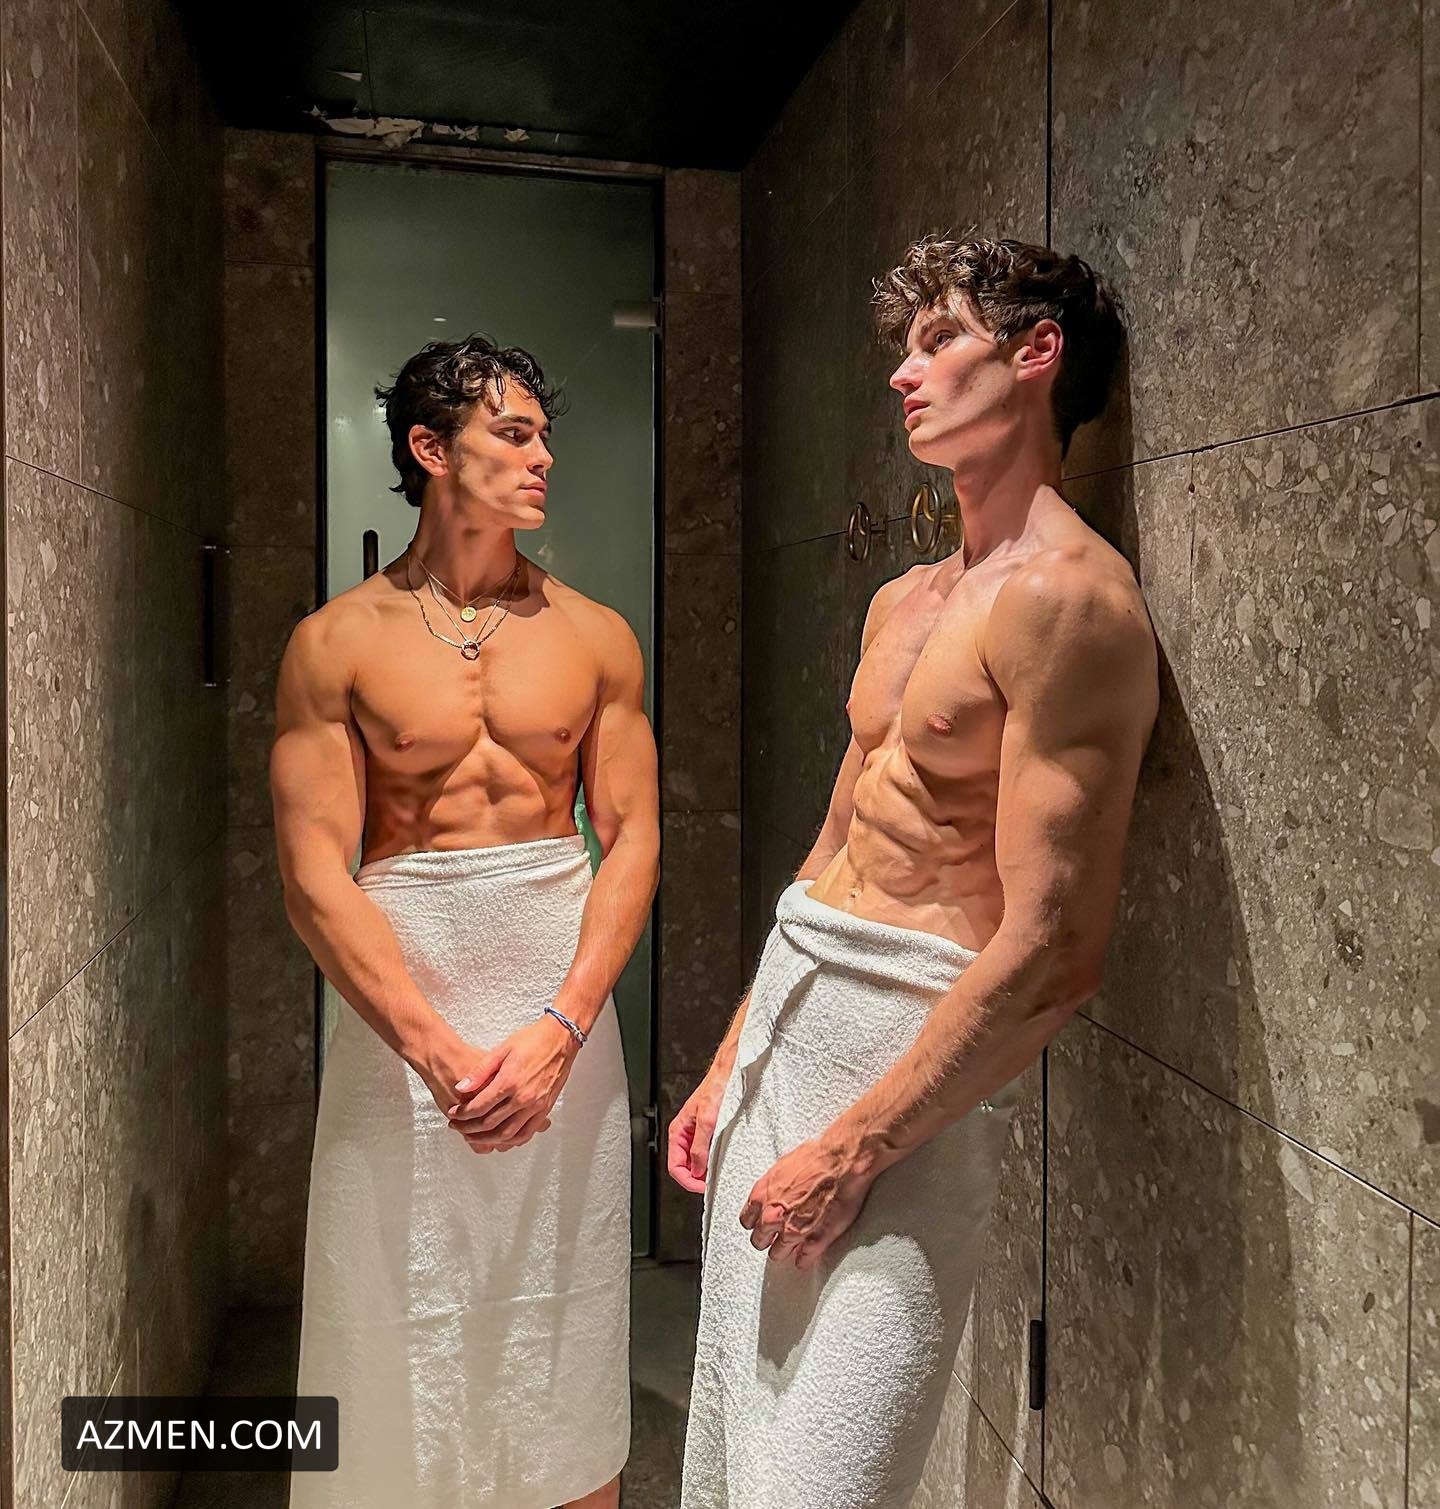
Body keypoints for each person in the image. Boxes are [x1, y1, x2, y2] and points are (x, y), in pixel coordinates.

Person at [670, 235, 1158, 1507]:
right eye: (905, 345)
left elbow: (1056, 947)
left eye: (941, 339)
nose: (904, 372)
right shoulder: (905, 599)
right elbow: (832, 847)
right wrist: (731, 1059)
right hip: (791, 1029)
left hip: (907, 1070)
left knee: (827, 1475)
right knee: (731, 1448)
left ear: (1037, 354)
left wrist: (856, 1147)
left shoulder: (1070, 601)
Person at [272, 334, 659, 1509]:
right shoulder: (337, 643)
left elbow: (633, 839)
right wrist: (432, 1048)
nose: (545, 459)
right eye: (515, 434)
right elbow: (315, 874)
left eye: (546, 436)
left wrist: (564, 1027)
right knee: (386, 1306)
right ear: (432, 450)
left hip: (557, 1004)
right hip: (402, 1010)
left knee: (563, 1313)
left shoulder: (595, 636)